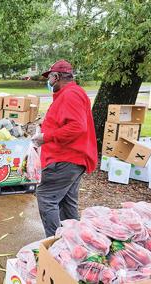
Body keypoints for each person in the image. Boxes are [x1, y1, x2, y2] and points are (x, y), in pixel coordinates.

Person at [31, 59, 98, 237]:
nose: (49, 81)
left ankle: (56, 243)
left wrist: (45, 137)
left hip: (65, 159)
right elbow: (65, 121)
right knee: (67, 204)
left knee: (46, 197)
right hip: (72, 159)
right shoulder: (70, 93)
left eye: (50, 77)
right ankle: (74, 242)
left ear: (57, 76)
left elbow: (77, 126)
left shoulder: (70, 94)